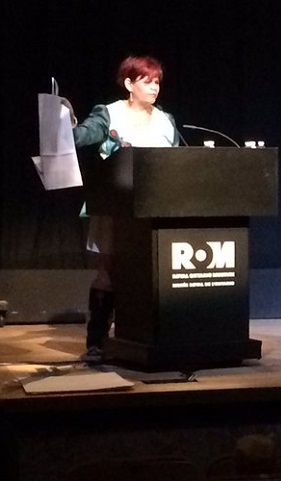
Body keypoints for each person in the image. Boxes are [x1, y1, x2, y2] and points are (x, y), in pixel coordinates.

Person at [72, 55, 179, 362]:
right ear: (130, 84)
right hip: (115, 207)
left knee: (150, 273)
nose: (154, 87)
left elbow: (174, 161)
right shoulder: (110, 113)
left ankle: (144, 336)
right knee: (107, 271)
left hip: (154, 209)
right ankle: (97, 341)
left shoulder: (166, 120)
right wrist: (68, 128)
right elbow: (84, 135)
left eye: (157, 81)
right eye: (147, 81)